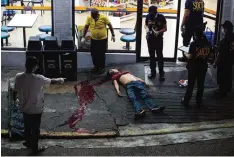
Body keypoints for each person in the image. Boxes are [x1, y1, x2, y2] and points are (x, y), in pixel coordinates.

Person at [13, 57, 65, 155]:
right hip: (36, 108)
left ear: (26, 65)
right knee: (35, 128)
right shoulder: (38, 78)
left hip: (24, 107)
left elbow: (15, 90)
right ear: (35, 67)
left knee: (27, 126)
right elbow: (52, 81)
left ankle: (28, 142)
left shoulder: (18, 76)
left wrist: (14, 100)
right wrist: (61, 79)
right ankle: (35, 148)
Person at [181, 26, 211, 107]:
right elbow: (209, 55)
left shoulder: (194, 43)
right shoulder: (207, 43)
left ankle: (186, 101)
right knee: (201, 85)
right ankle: (199, 101)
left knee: (191, 85)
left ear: (195, 35)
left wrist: (185, 53)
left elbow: (190, 56)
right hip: (203, 67)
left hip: (193, 67)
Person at [82, 8, 115, 73]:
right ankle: (95, 66)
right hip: (94, 39)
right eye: (92, 15)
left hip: (102, 39)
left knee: (101, 54)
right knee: (93, 53)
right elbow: (86, 27)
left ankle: (101, 67)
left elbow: (110, 25)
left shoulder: (103, 18)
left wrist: (113, 35)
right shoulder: (89, 18)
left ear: (97, 14)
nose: (93, 17)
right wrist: (83, 36)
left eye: (94, 16)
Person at [145, 6, 167, 80]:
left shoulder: (161, 17)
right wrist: (147, 30)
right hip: (150, 39)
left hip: (158, 39)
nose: (151, 15)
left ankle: (161, 74)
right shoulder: (148, 16)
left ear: (155, 12)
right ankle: (153, 72)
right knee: (152, 57)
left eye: (152, 14)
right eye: (150, 13)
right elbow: (145, 25)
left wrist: (158, 32)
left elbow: (165, 28)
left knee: (159, 56)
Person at [213, 21, 234, 97]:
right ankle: (228, 88)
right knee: (228, 74)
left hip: (223, 62)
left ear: (226, 29)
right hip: (231, 61)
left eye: (223, 28)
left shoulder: (224, 40)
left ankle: (222, 91)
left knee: (222, 76)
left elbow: (220, 53)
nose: (222, 29)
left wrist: (215, 63)